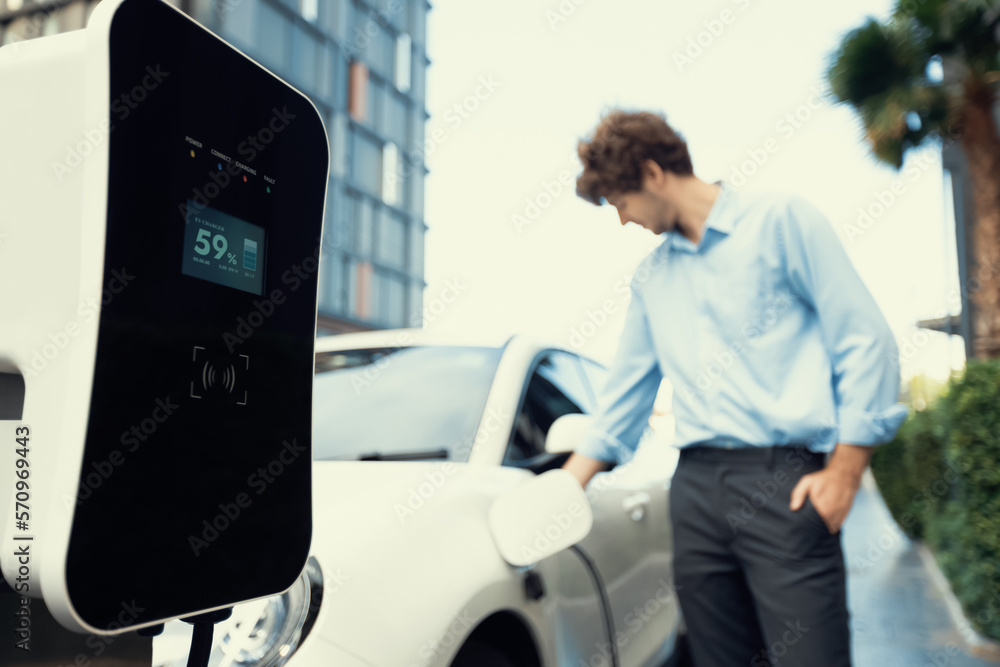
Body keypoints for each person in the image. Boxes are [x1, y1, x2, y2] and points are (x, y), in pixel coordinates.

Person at [561, 109, 908, 667]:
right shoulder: (652, 278)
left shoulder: (783, 222)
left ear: (652, 173)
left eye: (620, 204)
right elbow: (624, 398)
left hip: (785, 483)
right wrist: (562, 489)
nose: (623, 221)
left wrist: (846, 469)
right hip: (694, 492)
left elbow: (864, 340)